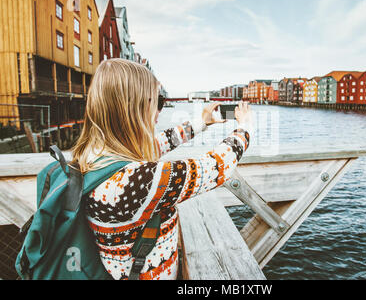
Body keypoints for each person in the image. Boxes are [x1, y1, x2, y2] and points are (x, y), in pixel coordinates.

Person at [71, 58, 253, 280]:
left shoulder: (93, 154)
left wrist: (202, 122)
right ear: (135, 106)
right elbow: (216, 166)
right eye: (158, 101)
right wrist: (245, 128)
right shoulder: (134, 181)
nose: (160, 109)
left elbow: (157, 144)